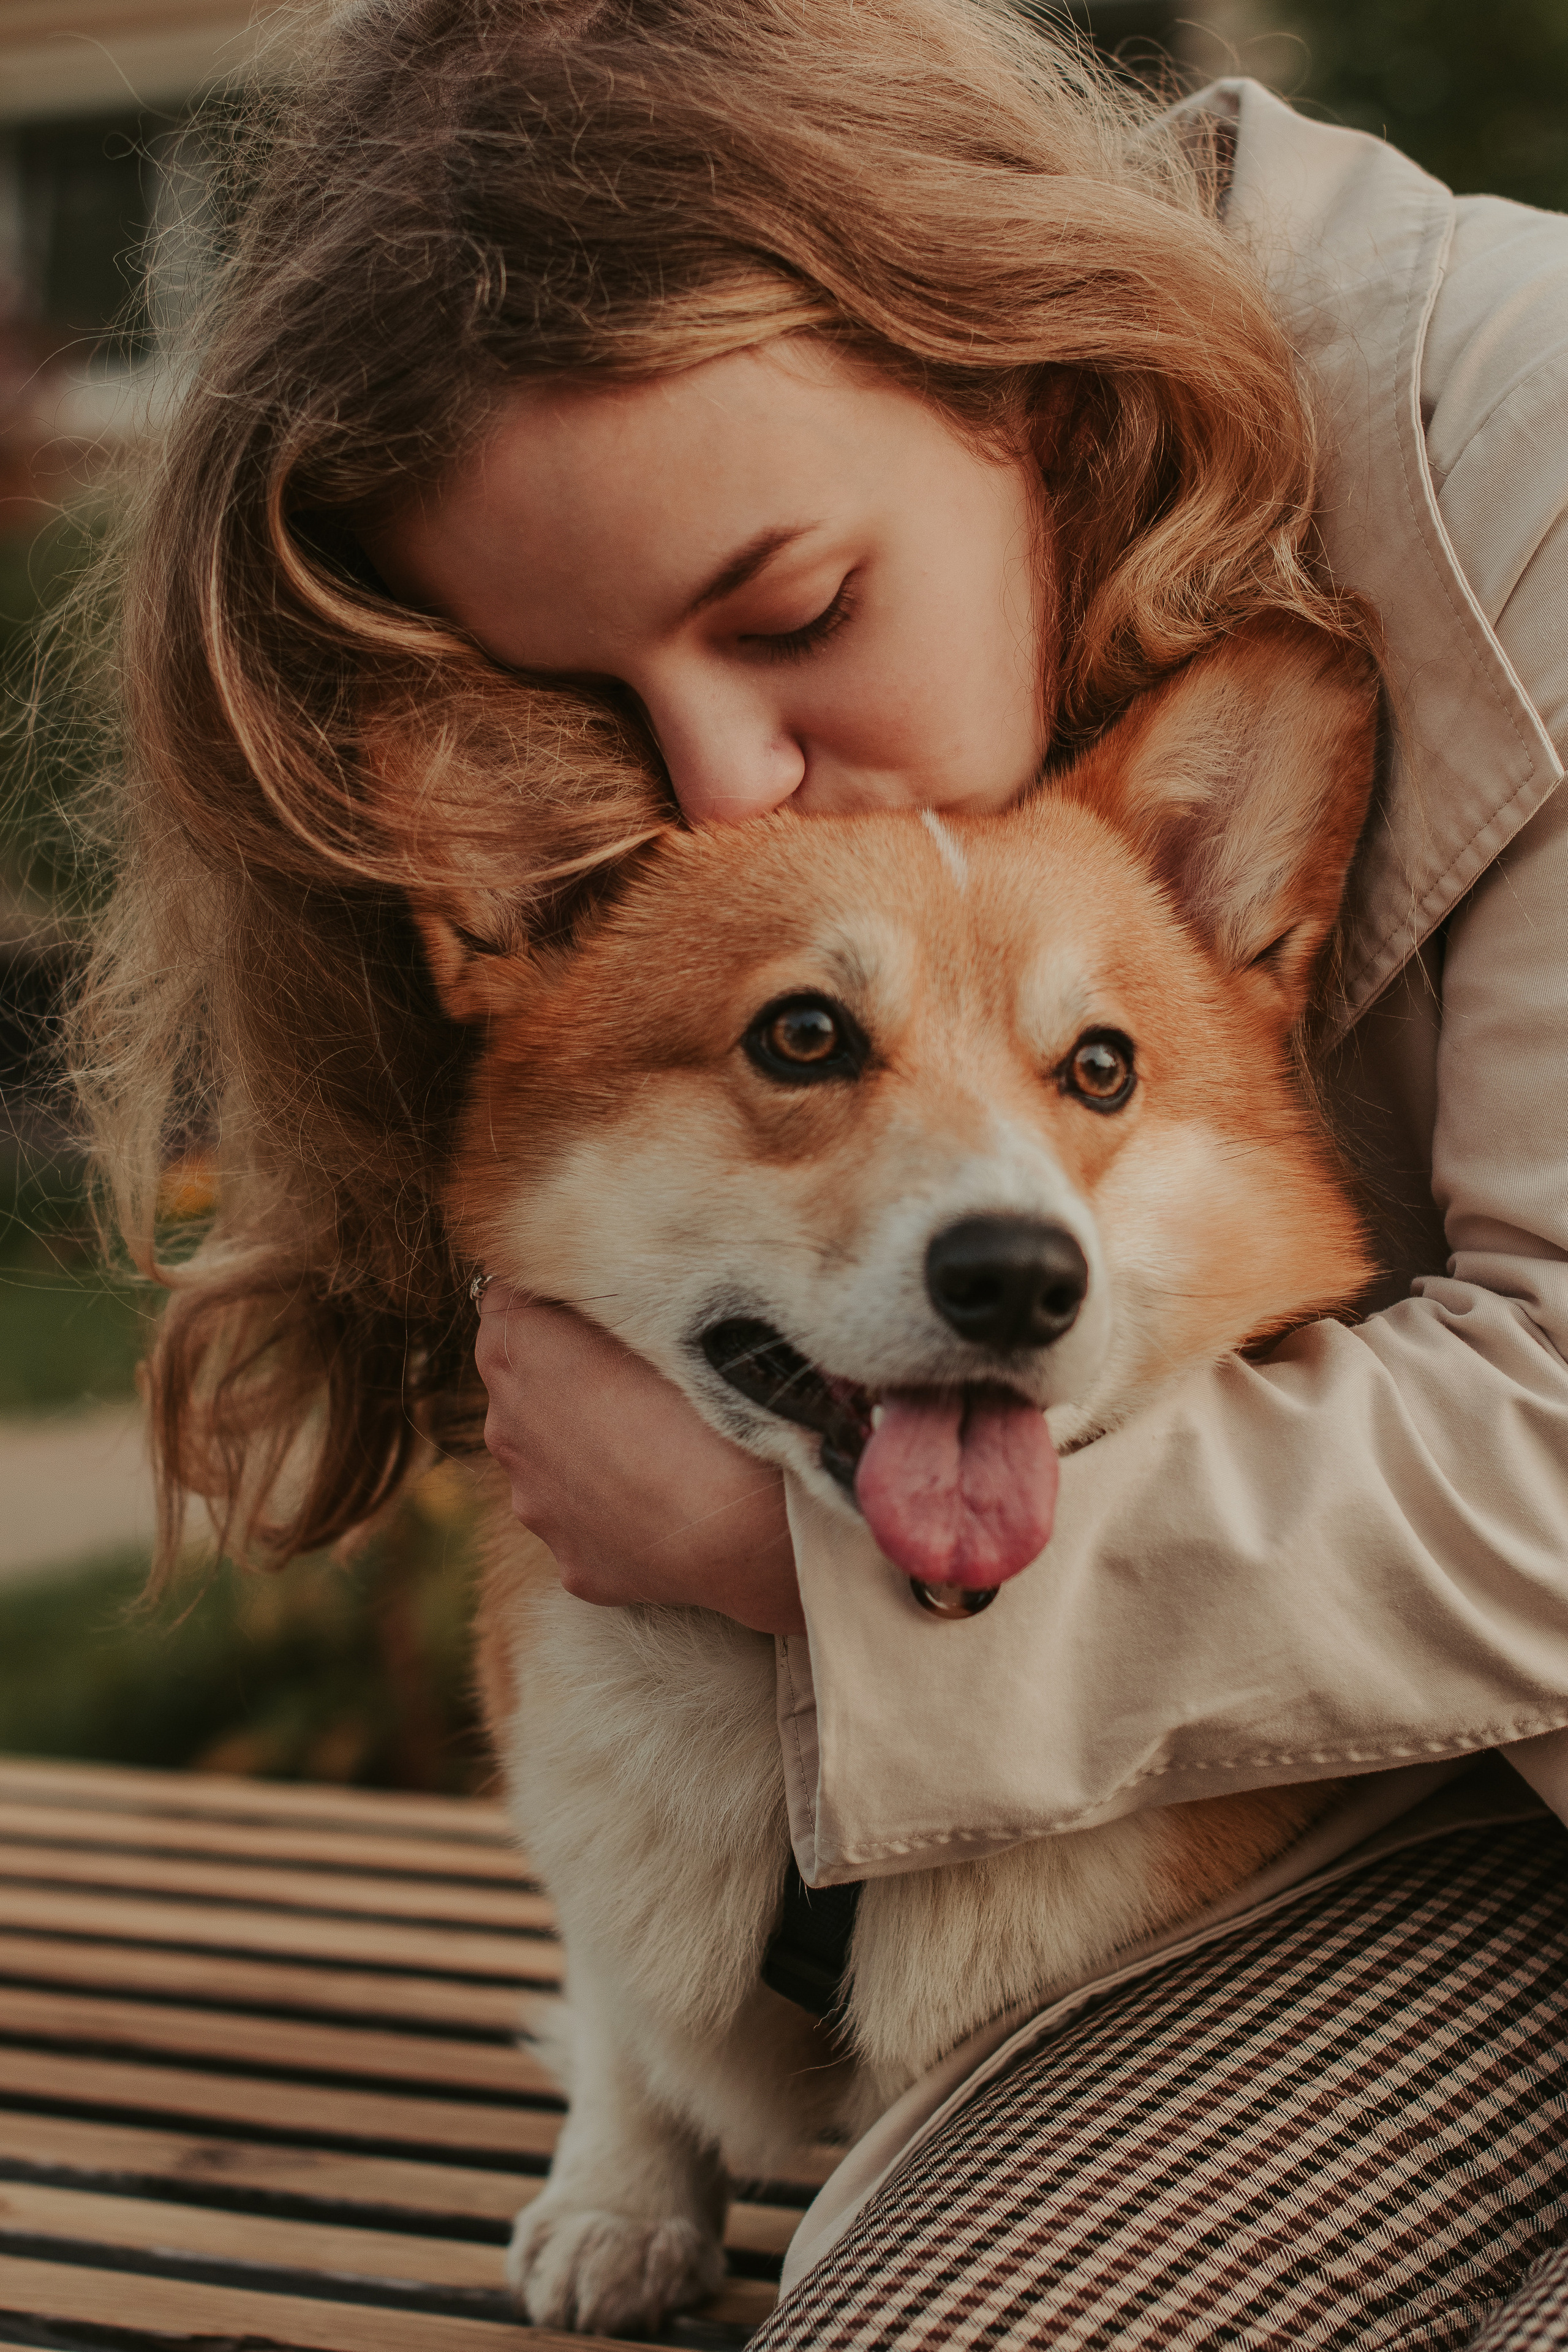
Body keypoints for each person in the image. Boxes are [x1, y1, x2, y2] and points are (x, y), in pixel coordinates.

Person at [74, 0, 1568, 2340]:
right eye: (598, 716)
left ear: (1024, 379)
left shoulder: (1531, 457)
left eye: (793, 618)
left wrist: (766, 1551)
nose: (720, 794)